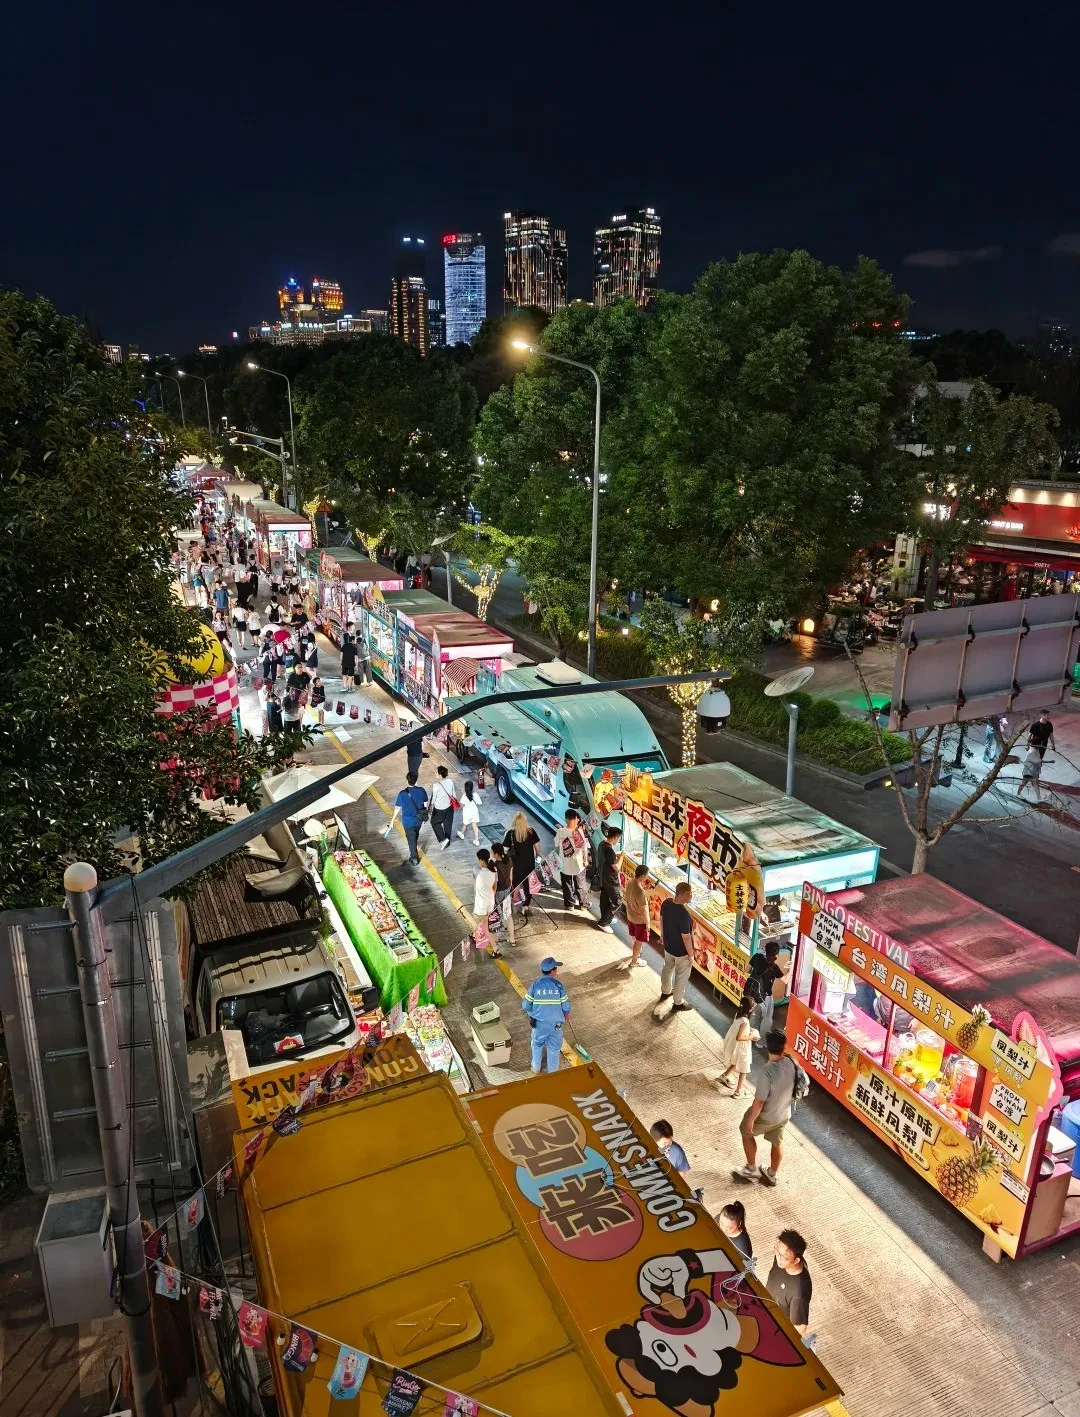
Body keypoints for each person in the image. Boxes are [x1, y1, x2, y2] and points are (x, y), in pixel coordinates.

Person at [734, 1029, 797, 1186]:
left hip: (767, 1115)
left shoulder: (767, 1072)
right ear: (784, 1046)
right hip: (784, 1113)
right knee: (777, 1142)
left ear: (767, 1047)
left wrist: (750, 1121)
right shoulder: (791, 1063)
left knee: (745, 1131)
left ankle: (752, 1169)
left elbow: (759, 1101)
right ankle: (771, 1175)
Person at [522, 957, 571, 1073]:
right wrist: (566, 1014)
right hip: (557, 1024)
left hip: (539, 1024)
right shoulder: (559, 985)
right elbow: (565, 1005)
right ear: (553, 971)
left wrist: (531, 1012)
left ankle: (535, 1069)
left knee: (537, 1045)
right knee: (554, 1047)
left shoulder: (535, 985)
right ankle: (552, 1072)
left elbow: (526, 1006)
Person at [766, 1231, 812, 1335]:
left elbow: (799, 1329)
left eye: (784, 1257)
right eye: (777, 1251)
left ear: (796, 1261)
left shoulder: (798, 1294)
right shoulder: (782, 1259)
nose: (778, 1258)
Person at [658, 881, 694, 1013]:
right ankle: (678, 1002)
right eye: (689, 894)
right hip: (681, 952)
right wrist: (691, 954)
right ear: (681, 895)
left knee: (667, 968)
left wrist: (662, 936)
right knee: (681, 976)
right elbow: (686, 937)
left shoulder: (666, 903)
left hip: (668, 946)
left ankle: (665, 991)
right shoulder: (684, 914)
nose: (691, 897)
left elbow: (661, 919)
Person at [650, 1119, 703, 1203]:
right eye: (664, 1143)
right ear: (654, 1140)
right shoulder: (648, 1147)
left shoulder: (677, 1151)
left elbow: (682, 1172)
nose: (668, 1145)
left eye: (670, 1141)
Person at [717, 997, 759, 1098]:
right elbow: (739, 1037)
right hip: (742, 1048)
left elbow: (739, 1029)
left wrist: (750, 1030)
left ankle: (725, 1075)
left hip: (736, 1046)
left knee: (735, 1062)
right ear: (750, 1009)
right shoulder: (745, 1021)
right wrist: (752, 1037)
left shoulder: (739, 1015)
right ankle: (738, 1091)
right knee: (744, 1069)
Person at [504, 811, 541, 920]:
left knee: (515, 885)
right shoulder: (531, 831)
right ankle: (526, 905)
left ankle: (513, 905)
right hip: (529, 863)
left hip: (516, 865)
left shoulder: (510, 834)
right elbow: (537, 845)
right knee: (528, 885)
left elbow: (505, 850)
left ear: (515, 821)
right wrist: (538, 855)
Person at [389, 772, 429, 865]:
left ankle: (414, 858)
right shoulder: (422, 790)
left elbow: (397, 808)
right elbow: (426, 804)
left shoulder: (402, 794)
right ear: (416, 780)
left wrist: (392, 820)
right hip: (419, 819)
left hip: (408, 821)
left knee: (411, 838)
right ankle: (414, 845)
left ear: (407, 780)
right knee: (415, 833)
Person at [554, 808, 588, 911]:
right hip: (578, 864)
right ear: (576, 819)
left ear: (566, 819)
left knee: (567, 883)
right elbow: (583, 848)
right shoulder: (579, 832)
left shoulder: (560, 832)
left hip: (565, 864)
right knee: (580, 883)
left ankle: (569, 905)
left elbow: (556, 845)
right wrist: (585, 860)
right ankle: (583, 905)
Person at [622, 864, 651, 967]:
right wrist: (648, 924)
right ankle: (634, 961)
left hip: (630, 916)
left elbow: (634, 894)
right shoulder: (641, 893)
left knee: (634, 937)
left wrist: (644, 888)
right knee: (639, 942)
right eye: (647, 875)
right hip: (639, 920)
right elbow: (644, 910)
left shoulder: (630, 882)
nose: (648, 876)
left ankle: (636, 953)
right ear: (642, 876)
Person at [595, 823, 623, 932]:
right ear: (615, 837)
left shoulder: (602, 844)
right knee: (618, 901)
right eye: (618, 839)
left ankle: (606, 918)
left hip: (602, 876)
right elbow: (616, 867)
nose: (618, 841)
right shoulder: (610, 850)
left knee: (605, 898)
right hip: (610, 880)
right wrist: (622, 857)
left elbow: (607, 859)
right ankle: (604, 922)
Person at [473, 850, 500, 953]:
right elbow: (495, 888)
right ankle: (482, 938)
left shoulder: (477, 870)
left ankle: (495, 948)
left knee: (484, 926)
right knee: (486, 924)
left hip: (481, 903)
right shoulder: (494, 870)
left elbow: (475, 885)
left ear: (480, 860)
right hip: (490, 901)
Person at [491, 841, 516, 945]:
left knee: (496, 915)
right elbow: (511, 876)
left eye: (492, 852)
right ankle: (512, 939)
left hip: (499, 892)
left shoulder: (495, 866)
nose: (491, 854)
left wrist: (492, 894)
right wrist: (510, 887)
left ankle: (495, 938)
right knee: (508, 915)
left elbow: (495, 883)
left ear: (496, 854)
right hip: (507, 890)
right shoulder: (508, 859)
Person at [429, 764, 459, 850]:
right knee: (448, 825)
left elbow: (434, 798)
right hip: (449, 807)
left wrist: (431, 806)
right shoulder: (450, 781)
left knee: (434, 822)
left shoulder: (436, 785)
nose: (436, 774)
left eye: (436, 773)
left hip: (439, 809)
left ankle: (443, 839)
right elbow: (453, 794)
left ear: (439, 774)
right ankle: (448, 842)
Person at [457, 780, 483, 844]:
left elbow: (462, 805)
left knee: (465, 825)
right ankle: (477, 840)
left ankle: (461, 834)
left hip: (467, 813)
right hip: (474, 812)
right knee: (475, 826)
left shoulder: (464, 796)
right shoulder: (475, 795)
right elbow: (480, 803)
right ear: (472, 787)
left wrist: (458, 804)